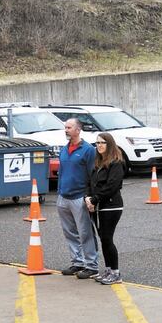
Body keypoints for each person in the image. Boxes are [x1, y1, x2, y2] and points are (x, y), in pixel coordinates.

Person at [58, 118, 99, 279]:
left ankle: (91, 265)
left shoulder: (88, 150)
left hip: (79, 197)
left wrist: (89, 197)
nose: (66, 130)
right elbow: (62, 172)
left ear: (78, 130)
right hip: (63, 197)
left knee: (85, 232)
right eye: (65, 127)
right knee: (69, 232)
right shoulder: (64, 149)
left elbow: (92, 175)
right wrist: (60, 192)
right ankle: (77, 262)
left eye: (69, 127)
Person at [85, 133, 125, 285]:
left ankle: (116, 273)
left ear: (109, 144)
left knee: (107, 239)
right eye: (97, 143)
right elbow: (91, 183)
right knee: (104, 239)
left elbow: (111, 186)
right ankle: (108, 269)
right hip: (97, 206)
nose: (99, 145)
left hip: (111, 206)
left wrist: (94, 199)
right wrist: (87, 198)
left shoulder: (116, 162)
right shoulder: (98, 162)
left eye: (103, 143)